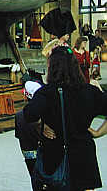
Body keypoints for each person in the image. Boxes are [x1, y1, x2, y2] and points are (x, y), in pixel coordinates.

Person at [23, 46, 107, 191]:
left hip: (56, 157)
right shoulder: (90, 91)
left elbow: (28, 114)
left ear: (52, 67)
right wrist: (99, 132)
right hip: (84, 158)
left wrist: (40, 125)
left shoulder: (46, 93)